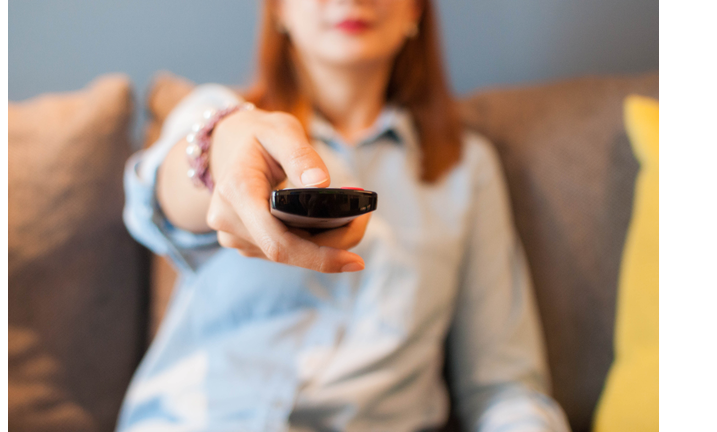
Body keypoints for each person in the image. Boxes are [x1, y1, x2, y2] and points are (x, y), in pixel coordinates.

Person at [117, 0, 571, 431]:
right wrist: (216, 152)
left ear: (415, 9)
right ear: (279, 7)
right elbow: (151, 202)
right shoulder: (223, 118)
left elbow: (504, 387)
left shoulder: (467, 170)